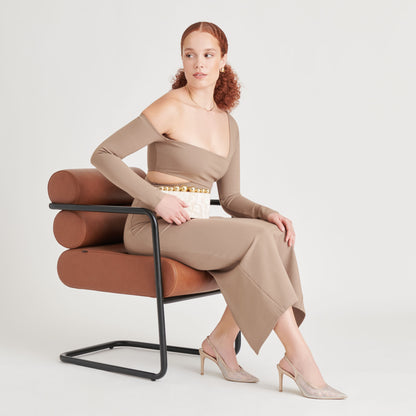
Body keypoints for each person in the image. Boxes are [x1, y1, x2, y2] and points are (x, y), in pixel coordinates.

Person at [90, 21, 347, 400]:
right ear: (182, 60)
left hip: (195, 223)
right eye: (190, 54)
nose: (199, 63)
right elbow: (104, 154)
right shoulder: (169, 106)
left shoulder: (229, 124)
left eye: (208, 55)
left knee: (274, 234)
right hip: (152, 226)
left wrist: (266, 212)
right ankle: (299, 357)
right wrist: (157, 199)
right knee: (258, 240)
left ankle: (221, 341)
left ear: (223, 61)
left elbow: (230, 199)